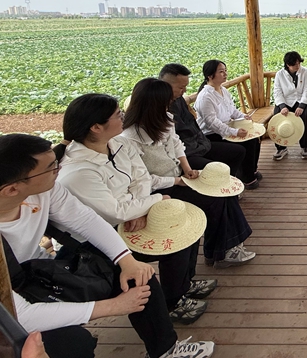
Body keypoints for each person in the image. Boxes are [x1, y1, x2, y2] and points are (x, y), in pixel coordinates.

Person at [0, 134, 215, 358]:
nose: (59, 168)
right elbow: (19, 315)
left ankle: (166, 350)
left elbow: (84, 219)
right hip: (12, 302)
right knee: (75, 343)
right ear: (12, 190)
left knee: (138, 275)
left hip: (39, 272)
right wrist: (115, 306)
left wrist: (126, 260)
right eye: (51, 167)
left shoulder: (43, 190)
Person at [55, 94, 212, 325]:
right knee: (173, 242)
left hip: (130, 215)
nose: (123, 117)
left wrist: (139, 210)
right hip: (98, 238)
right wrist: (152, 201)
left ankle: (184, 285)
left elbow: (142, 178)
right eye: (118, 114)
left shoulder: (119, 144)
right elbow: (115, 212)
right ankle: (174, 301)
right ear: (96, 127)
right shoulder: (78, 171)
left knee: (183, 225)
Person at [120, 78, 255, 269]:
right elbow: (141, 181)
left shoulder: (163, 119)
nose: (169, 106)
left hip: (177, 175)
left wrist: (187, 169)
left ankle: (222, 249)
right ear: (152, 105)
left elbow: (176, 144)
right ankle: (221, 251)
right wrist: (177, 181)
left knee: (221, 188)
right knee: (214, 200)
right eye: (166, 103)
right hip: (158, 189)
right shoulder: (129, 139)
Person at [158, 63, 250, 184]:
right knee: (216, 170)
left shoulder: (178, 99)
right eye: (181, 87)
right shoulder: (160, 109)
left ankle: (229, 183)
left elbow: (231, 110)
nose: (185, 91)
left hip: (200, 144)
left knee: (239, 151)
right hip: (187, 152)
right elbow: (176, 141)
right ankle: (222, 185)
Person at [194, 60, 261, 189]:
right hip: (212, 135)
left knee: (253, 138)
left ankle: (251, 170)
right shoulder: (205, 97)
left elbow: (232, 110)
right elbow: (212, 123)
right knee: (245, 144)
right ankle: (246, 177)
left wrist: (243, 116)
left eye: (225, 71)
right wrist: (234, 132)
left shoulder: (223, 90)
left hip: (228, 127)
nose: (225, 74)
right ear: (210, 75)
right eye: (221, 71)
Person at [272, 51, 307, 160]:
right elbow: (277, 92)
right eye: (295, 64)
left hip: (302, 100)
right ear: (287, 65)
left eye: (299, 63)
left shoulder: (305, 72)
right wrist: (282, 106)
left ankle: (305, 147)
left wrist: (302, 106)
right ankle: (281, 148)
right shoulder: (279, 74)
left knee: (305, 116)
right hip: (285, 101)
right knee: (277, 116)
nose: (298, 66)